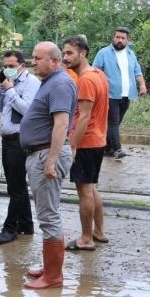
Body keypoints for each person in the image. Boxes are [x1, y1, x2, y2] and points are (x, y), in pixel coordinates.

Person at [20, 42, 77, 289]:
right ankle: (50, 267)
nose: (33, 61)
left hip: (46, 154)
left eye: (38, 58)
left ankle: (53, 276)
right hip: (42, 153)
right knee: (47, 213)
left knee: (48, 215)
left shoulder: (60, 84)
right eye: (33, 57)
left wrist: (51, 161)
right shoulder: (51, 82)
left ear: (54, 61)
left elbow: (61, 125)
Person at [60, 35, 110, 251]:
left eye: (70, 53)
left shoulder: (86, 80)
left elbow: (84, 116)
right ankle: (99, 231)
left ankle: (86, 238)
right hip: (97, 140)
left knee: (85, 191)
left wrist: (72, 145)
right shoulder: (98, 74)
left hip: (87, 142)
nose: (65, 57)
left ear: (83, 54)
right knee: (91, 187)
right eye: (63, 53)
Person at [0, 50, 41, 244]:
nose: (8, 70)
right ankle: (26, 225)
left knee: (16, 186)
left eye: (11, 66)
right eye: (5, 66)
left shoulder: (32, 83)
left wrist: (10, 90)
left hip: (21, 138)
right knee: (16, 183)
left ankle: (9, 228)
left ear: (21, 65)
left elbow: (28, 110)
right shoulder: (5, 83)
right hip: (8, 138)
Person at [93, 27, 147, 159]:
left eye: (123, 38)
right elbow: (95, 70)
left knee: (116, 122)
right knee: (113, 122)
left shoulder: (130, 54)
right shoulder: (103, 53)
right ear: (113, 37)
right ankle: (117, 149)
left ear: (127, 40)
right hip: (110, 94)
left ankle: (106, 148)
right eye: (117, 37)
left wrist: (142, 85)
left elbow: (137, 72)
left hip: (127, 94)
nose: (120, 40)